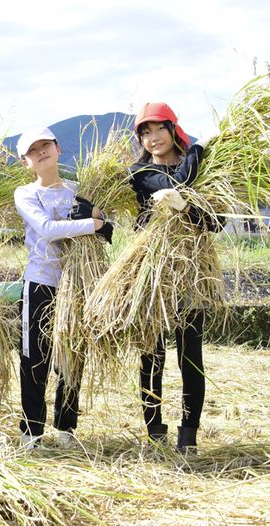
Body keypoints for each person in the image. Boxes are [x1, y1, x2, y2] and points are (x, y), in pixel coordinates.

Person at [13, 127, 113, 449]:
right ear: (26, 162)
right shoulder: (26, 193)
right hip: (41, 281)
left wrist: (101, 221)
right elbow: (47, 229)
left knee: (72, 356)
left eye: (45, 145)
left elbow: (108, 230)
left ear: (57, 148)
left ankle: (66, 429)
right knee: (34, 358)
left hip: (78, 284)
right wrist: (93, 223)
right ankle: (31, 433)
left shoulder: (81, 190)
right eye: (33, 151)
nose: (40, 152)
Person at [129, 102, 218, 454]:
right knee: (150, 354)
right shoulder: (139, 173)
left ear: (172, 128)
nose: (152, 138)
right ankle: (154, 432)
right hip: (151, 274)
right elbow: (177, 182)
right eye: (144, 133)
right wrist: (198, 148)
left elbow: (213, 222)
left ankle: (189, 434)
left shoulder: (203, 172)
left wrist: (186, 207)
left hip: (191, 272)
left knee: (190, 355)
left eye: (158, 129)